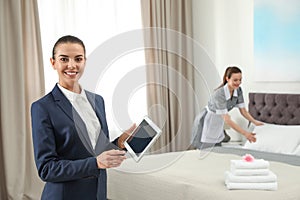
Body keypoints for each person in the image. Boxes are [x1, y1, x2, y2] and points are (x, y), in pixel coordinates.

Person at [31, 35, 135, 200]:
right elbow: (46, 169)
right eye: (64, 59)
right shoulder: (42, 108)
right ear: (53, 62)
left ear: (84, 62)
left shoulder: (97, 101)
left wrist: (120, 143)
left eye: (78, 59)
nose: (71, 65)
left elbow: (98, 152)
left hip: (97, 194)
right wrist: (95, 163)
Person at [191, 66, 263, 149]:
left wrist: (255, 122)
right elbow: (227, 120)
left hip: (219, 120)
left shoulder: (238, 90)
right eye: (235, 80)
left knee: (217, 149)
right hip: (207, 121)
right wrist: (245, 134)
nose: (238, 82)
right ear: (227, 79)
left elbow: (243, 111)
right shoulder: (219, 94)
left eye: (240, 79)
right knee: (204, 151)